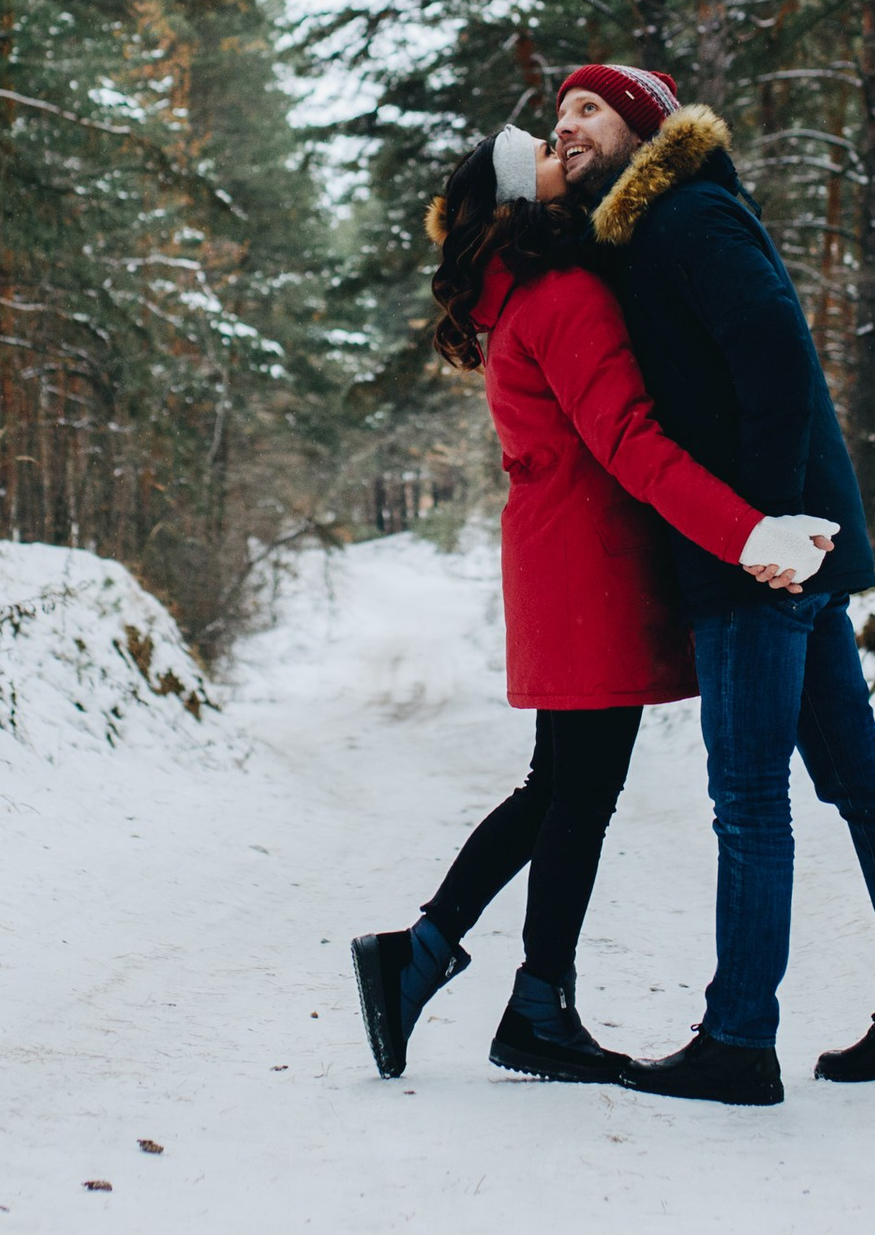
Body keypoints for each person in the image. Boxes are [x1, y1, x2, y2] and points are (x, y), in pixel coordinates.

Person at [351, 125, 836, 1087]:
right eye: (544, 157)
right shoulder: (564, 298)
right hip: (591, 564)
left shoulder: (527, 295)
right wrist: (748, 531)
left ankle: (461, 968)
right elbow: (633, 444)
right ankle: (507, 988)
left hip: (564, 557)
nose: (565, 158)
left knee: (565, 786)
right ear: (516, 204)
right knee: (576, 788)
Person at [550, 62, 875, 1109]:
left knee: (748, 800)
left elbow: (778, 360)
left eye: (589, 110)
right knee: (858, 782)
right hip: (770, 545)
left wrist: (771, 532)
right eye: (556, 114)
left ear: (643, 127)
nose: (565, 126)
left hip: (760, 551)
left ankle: (738, 1038)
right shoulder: (641, 237)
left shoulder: (690, 216)